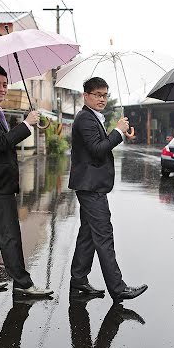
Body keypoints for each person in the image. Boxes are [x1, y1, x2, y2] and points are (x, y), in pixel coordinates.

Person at [0, 64, 52, 297]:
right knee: (10, 232)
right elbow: (0, 143)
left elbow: (2, 142)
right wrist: (26, 124)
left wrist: (28, 124)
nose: (2, 89)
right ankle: (23, 283)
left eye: (5, 85)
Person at [69, 77, 147, 300]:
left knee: (88, 235)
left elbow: (101, 146)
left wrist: (120, 135)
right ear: (86, 96)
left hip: (92, 185)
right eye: (97, 95)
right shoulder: (85, 118)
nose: (102, 99)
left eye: (105, 95)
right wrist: (118, 132)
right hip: (91, 187)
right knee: (104, 235)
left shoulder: (93, 117)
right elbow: (97, 149)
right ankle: (118, 287)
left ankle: (79, 281)